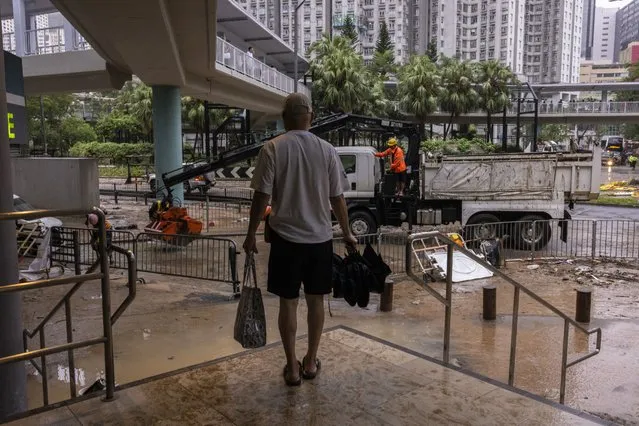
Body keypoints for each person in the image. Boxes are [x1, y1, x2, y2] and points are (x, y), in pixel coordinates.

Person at [243, 92, 357, 386]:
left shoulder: (272, 148)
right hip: (319, 240)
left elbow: (261, 197)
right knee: (316, 301)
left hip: (285, 240)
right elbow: (337, 198)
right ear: (312, 117)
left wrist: (251, 234)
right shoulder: (327, 150)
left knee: (288, 303)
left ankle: (292, 367)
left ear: (284, 118)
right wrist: (347, 232)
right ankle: (310, 361)